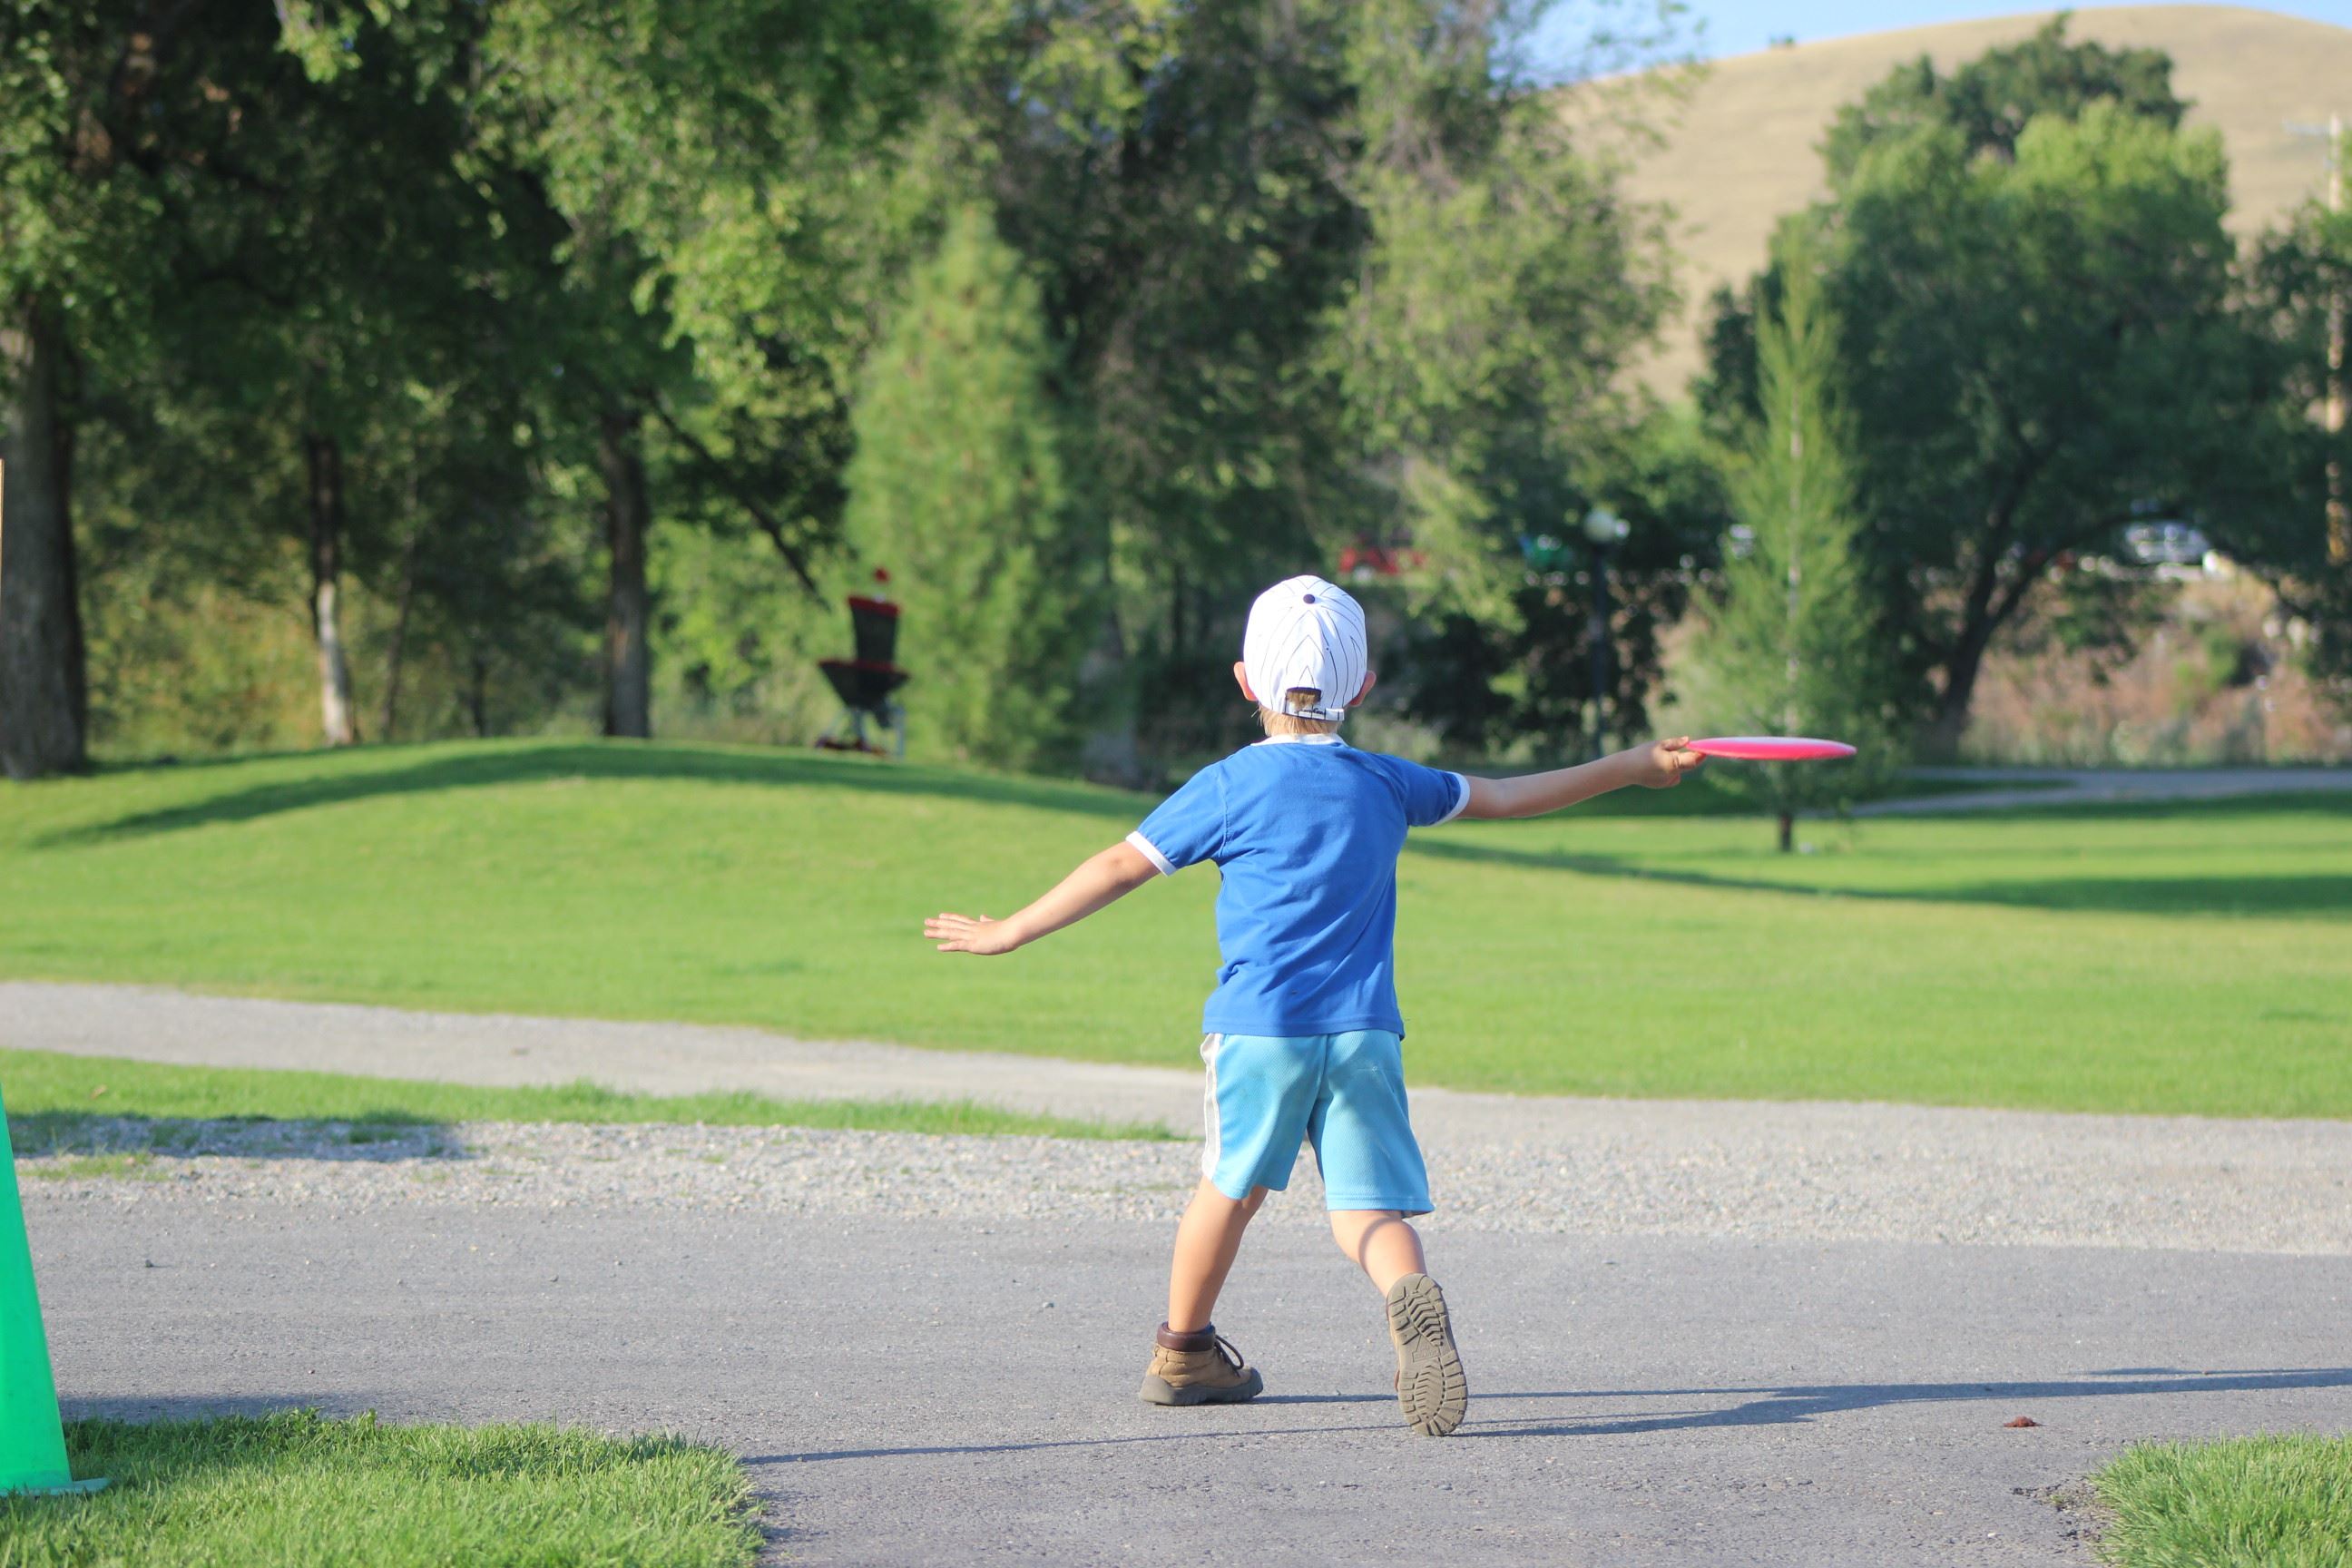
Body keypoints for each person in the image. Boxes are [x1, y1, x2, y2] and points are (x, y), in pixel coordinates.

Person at [925, 575, 1703, 1436]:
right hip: (1365, 1032)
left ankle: (1184, 1352)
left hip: (1261, 1030)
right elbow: (1509, 794)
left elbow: (1120, 865)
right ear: (1361, 688)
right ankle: (1407, 1290)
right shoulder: (1388, 781)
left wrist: (1012, 931)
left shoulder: (1228, 785)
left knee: (1228, 1190)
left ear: (1244, 681)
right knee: (1368, 1210)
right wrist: (1632, 767)